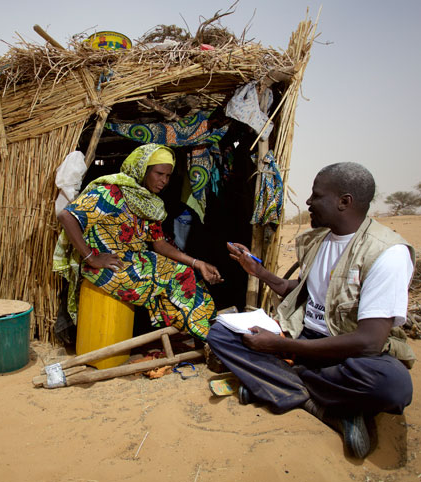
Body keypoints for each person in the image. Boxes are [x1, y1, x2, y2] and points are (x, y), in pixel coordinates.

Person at [207, 162, 415, 459]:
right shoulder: (319, 240)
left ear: (345, 202)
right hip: (301, 338)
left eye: (316, 196)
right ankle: (322, 404)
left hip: (347, 352)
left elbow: (369, 342)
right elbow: (305, 292)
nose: (307, 202)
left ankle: (280, 384)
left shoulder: (387, 253)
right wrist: (259, 271)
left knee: (391, 385)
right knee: (220, 331)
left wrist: (278, 345)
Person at [55, 143, 223, 342]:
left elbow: (159, 244)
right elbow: (67, 216)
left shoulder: (149, 203)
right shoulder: (111, 192)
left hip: (134, 261)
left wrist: (197, 263)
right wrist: (92, 258)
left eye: (168, 176)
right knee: (177, 277)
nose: (164, 181)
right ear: (143, 169)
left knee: (189, 274)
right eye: (159, 173)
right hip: (109, 267)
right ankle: (211, 339)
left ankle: (207, 332)